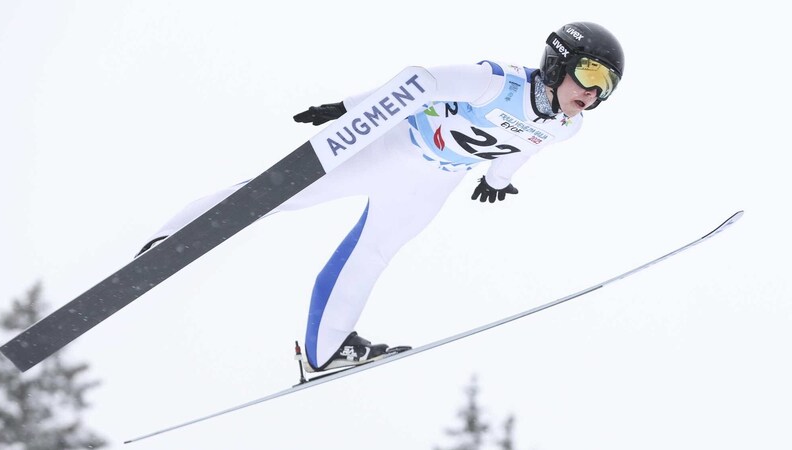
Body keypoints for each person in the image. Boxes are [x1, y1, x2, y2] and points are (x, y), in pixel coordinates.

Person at [137, 22, 625, 372]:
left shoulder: (567, 128)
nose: (593, 92)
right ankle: (174, 238)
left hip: (433, 182)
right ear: (559, 60)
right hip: (390, 147)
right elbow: (420, 84)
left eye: (605, 86)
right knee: (281, 195)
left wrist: (497, 180)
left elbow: (526, 145)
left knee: (372, 253)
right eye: (589, 75)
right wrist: (349, 109)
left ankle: (325, 348)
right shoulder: (494, 81)